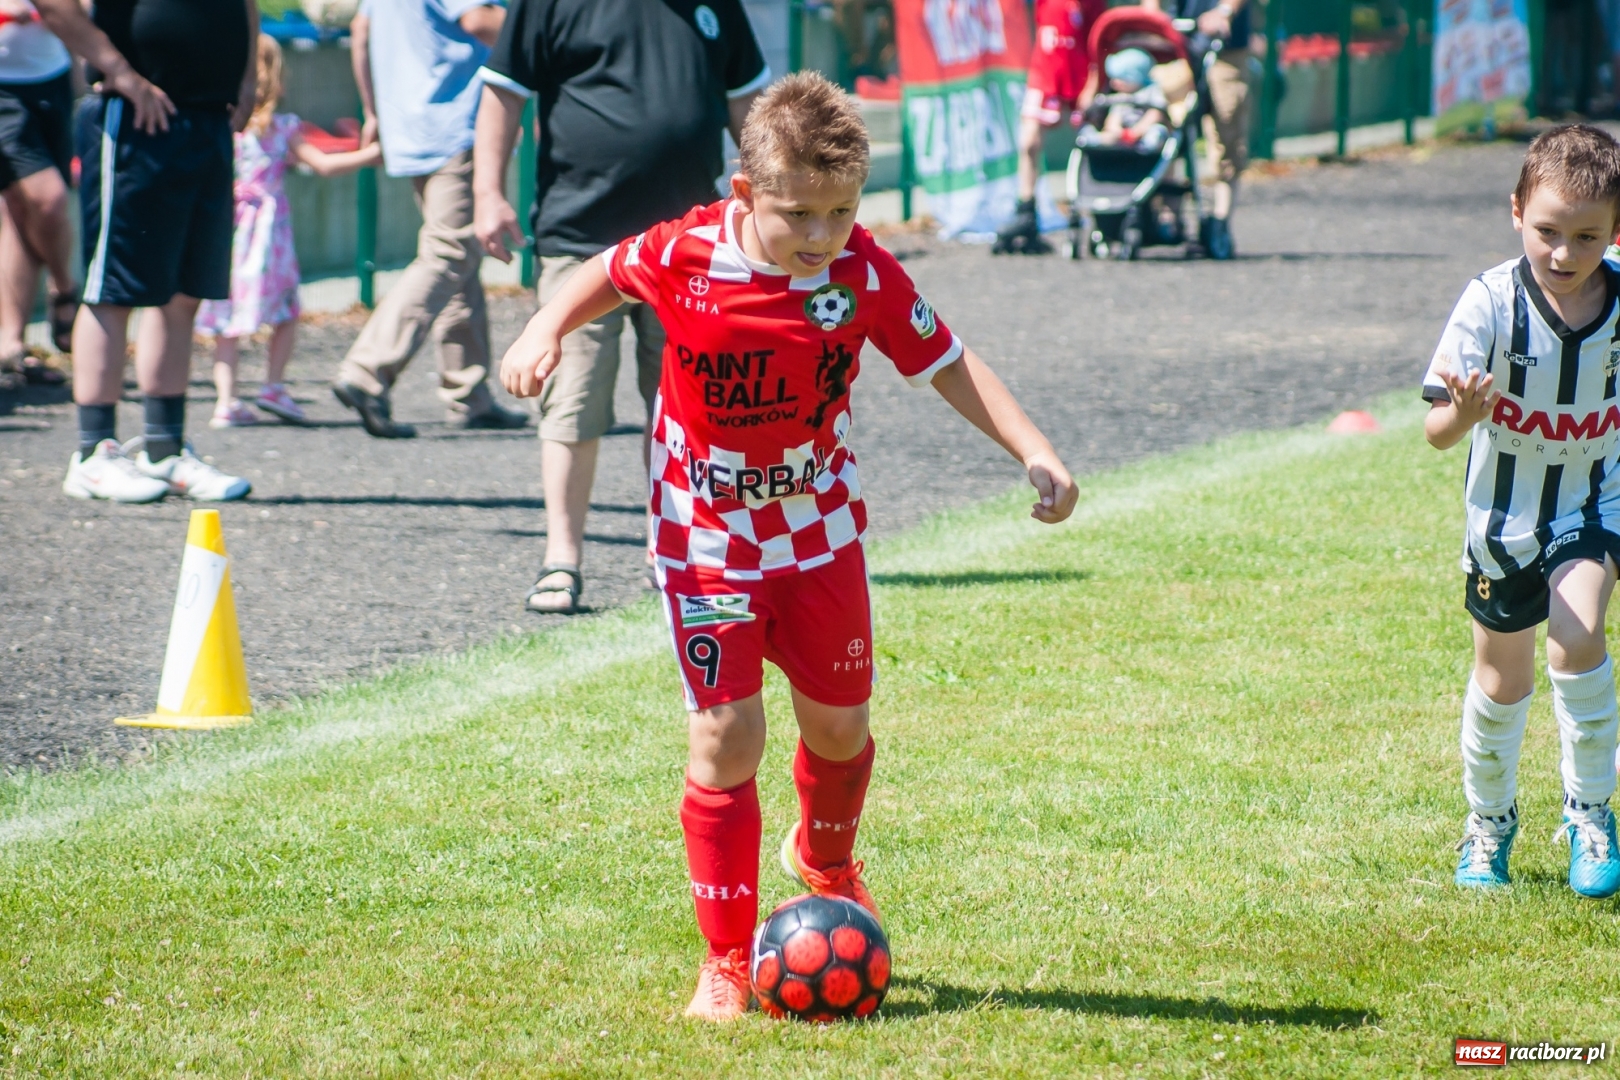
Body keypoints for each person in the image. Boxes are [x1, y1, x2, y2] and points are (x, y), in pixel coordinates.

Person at [498, 72, 1079, 1021]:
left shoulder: (863, 274)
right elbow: (604, 270)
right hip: (707, 535)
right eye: (797, 215)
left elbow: (947, 360)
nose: (819, 237)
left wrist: (1036, 449)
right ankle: (726, 958)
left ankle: (826, 861)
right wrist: (542, 327)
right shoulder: (687, 253)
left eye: (840, 213)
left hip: (818, 534)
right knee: (729, 735)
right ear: (743, 197)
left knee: (840, 726)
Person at [473, 0, 769, 614]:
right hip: (582, 241)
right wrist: (486, 193)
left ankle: (669, 553)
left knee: (683, 411)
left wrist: (768, 204)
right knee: (572, 401)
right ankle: (562, 559)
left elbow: (749, 108)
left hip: (691, 244)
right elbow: (503, 92)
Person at [1423, 124, 1620, 900]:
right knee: (1501, 682)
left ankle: (1591, 815)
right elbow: (1436, 432)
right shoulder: (1488, 301)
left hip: (1593, 502)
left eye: (1587, 236)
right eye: (1548, 232)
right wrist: (1466, 414)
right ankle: (1489, 827)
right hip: (1501, 523)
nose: (1566, 255)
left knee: (1577, 634)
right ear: (1515, 213)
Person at [36, 0, 257, 503]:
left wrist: (244, 79)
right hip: (135, 117)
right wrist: (120, 71)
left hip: (206, 116)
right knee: (112, 288)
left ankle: (164, 448)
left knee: (182, 292)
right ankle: (94, 454)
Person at [331, 0, 526, 438]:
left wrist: (375, 112)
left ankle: (468, 393)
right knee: (450, 252)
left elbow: (360, 32)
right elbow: (478, 19)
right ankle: (367, 370)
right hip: (455, 121)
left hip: (411, 125)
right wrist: (543, 34)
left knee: (461, 255)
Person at [200, 34, 382, 429]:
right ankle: (273, 386)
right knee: (285, 310)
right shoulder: (282, 128)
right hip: (268, 234)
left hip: (227, 231)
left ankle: (226, 401)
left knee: (226, 315)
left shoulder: (222, 125)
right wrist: (372, 156)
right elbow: (325, 166)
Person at [0, 0, 75, 387]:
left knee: (21, 209)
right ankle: (65, 289)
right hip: (3, 89)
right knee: (47, 198)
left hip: (49, 76)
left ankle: (11, 341)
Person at [995, 0, 1106, 255]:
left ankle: (1097, 211)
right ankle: (1026, 210)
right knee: (1029, 141)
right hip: (1045, 71)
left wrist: (1092, 84)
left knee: (1091, 140)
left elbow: (1096, 41)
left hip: (1077, 73)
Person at [1143, 0, 1248, 258]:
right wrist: (1151, 17)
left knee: (1226, 132)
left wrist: (1224, 11)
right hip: (1178, 43)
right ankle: (1169, 213)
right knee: (1167, 123)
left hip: (1225, 46)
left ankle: (1219, 221)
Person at [1077, 48, 1169, 152]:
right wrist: (1116, 130)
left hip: (1143, 131)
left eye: (1120, 78)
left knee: (1156, 132)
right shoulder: (1119, 96)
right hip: (1120, 136)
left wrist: (1136, 132)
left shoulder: (1151, 91)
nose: (1113, 83)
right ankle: (1094, 141)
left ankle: (1146, 146)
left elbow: (1155, 114)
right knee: (1090, 133)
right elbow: (1114, 116)